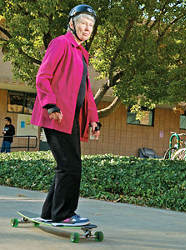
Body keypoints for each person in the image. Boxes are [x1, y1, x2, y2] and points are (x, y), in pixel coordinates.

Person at [31, 4, 101, 225]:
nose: (87, 28)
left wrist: (93, 119)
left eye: (90, 25)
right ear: (72, 23)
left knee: (67, 166)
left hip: (72, 121)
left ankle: (49, 213)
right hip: (57, 117)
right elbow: (43, 76)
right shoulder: (61, 43)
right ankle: (63, 214)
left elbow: (86, 91)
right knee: (70, 166)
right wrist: (51, 105)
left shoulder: (82, 53)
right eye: (82, 23)